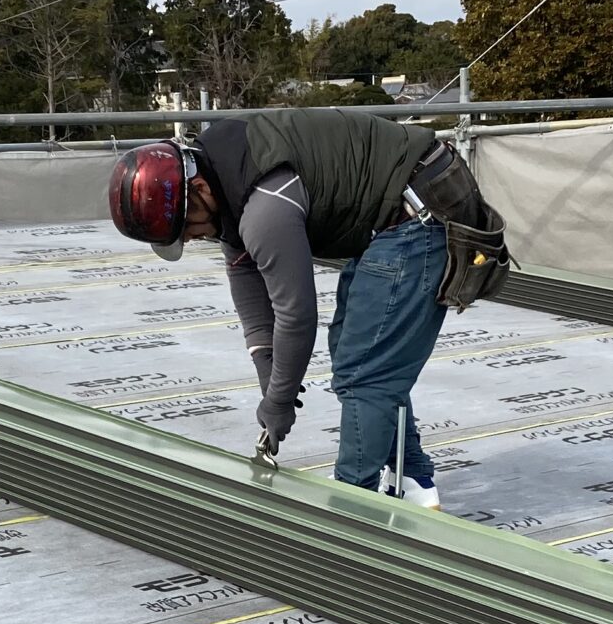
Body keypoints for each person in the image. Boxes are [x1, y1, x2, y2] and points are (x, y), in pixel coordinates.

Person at [107, 106, 478, 506]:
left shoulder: (265, 207)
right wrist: (266, 365)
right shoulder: (221, 169)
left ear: (199, 189)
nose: (194, 237)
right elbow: (244, 273)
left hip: (421, 209)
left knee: (365, 370)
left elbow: (297, 315)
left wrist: (279, 402)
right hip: (395, 208)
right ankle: (414, 479)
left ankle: (351, 512)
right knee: (367, 356)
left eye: (188, 225)